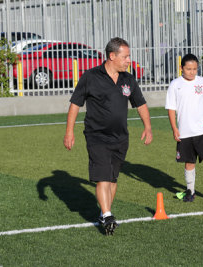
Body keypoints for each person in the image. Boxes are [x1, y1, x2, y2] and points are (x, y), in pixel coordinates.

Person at [63, 37, 153, 235]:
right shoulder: (91, 77)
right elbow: (75, 104)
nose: (128, 60)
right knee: (103, 177)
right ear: (112, 56)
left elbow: (140, 103)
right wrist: (69, 131)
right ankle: (107, 214)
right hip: (97, 136)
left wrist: (148, 127)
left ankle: (105, 214)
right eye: (125, 56)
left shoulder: (128, 79)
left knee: (112, 179)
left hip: (121, 137)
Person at [165, 53, 203, 202]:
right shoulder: (175, 84)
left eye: (195, 69)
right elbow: (171, 109)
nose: (192, 72)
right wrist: (175, 129)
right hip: (185, 132)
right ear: (181, 68)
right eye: (188, 69)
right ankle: (190, 190)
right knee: (189, 162)